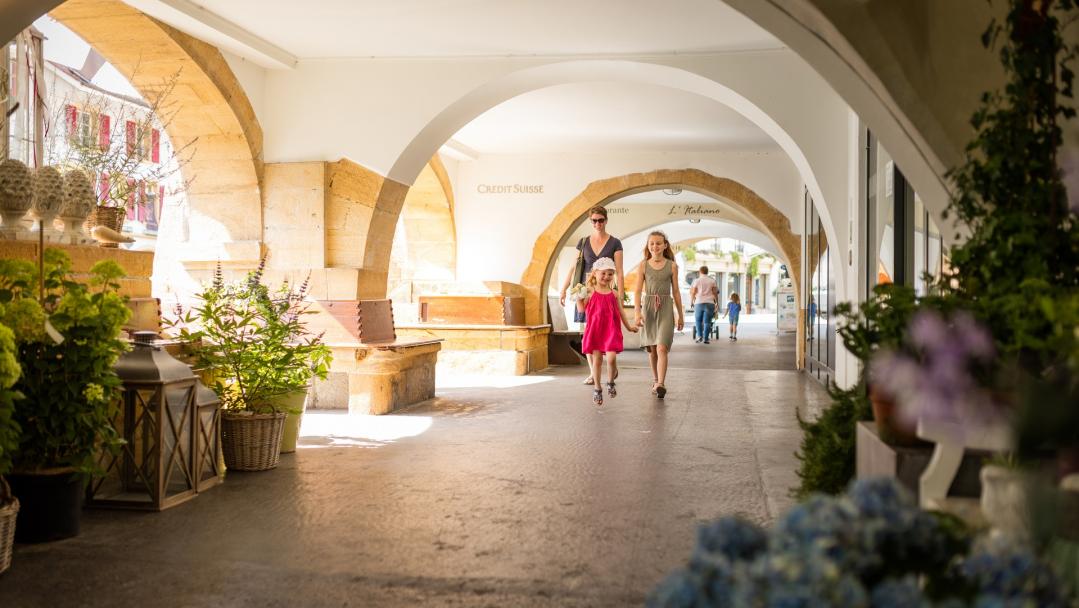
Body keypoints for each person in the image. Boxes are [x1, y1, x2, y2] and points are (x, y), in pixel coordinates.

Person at [558, 206, 624, 385]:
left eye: (600, 220)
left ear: (606, 220)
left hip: (604, 292)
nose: (597, 224)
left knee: (606, 332)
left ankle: (612, 365)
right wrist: (564, 289)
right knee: (588, 334)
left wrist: (621, 294)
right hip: (586, 291)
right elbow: (574, 267)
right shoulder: (583, 241)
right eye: (594, 220)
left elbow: (619, 271)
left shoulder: (615, 243)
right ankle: (593, 373)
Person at [577, 257, 638, 405]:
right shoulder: (589, 291)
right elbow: (581, 311)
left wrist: (629, 327)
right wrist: (579, 298)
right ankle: (598, 388)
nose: (606, 277)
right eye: (603, 273)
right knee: (597, 360)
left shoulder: (614, 293)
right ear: (595, 274)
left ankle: (610, 382)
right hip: (596, 330)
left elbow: (621, 312)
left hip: (610, 330)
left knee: (611, 359)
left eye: (610, 274)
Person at [633, 231, 684, 399]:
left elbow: (676, 292)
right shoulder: (643, 265)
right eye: (652, 243)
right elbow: (638, 290)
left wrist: (681, 315)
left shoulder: (672, 266)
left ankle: (661, 383)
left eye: (658, 243)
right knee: (652, 349)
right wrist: (637, 312)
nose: (655, 246)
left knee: (662, 347)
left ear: (665, 245)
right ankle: (655, 380)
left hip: (665, 307)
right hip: (648, 307)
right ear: (648, 246)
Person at [689, 265, 719, 344]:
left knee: (698, 321)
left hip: (699, 302)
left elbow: (693, 292)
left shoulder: (697, 281)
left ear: (700, 272)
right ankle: (706, 338)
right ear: (707, 272)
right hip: (710, 303)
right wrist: (717, 302)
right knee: (707, 322)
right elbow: (715, 292)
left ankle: (699, 337)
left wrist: (692, 301)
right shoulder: (712, 281)